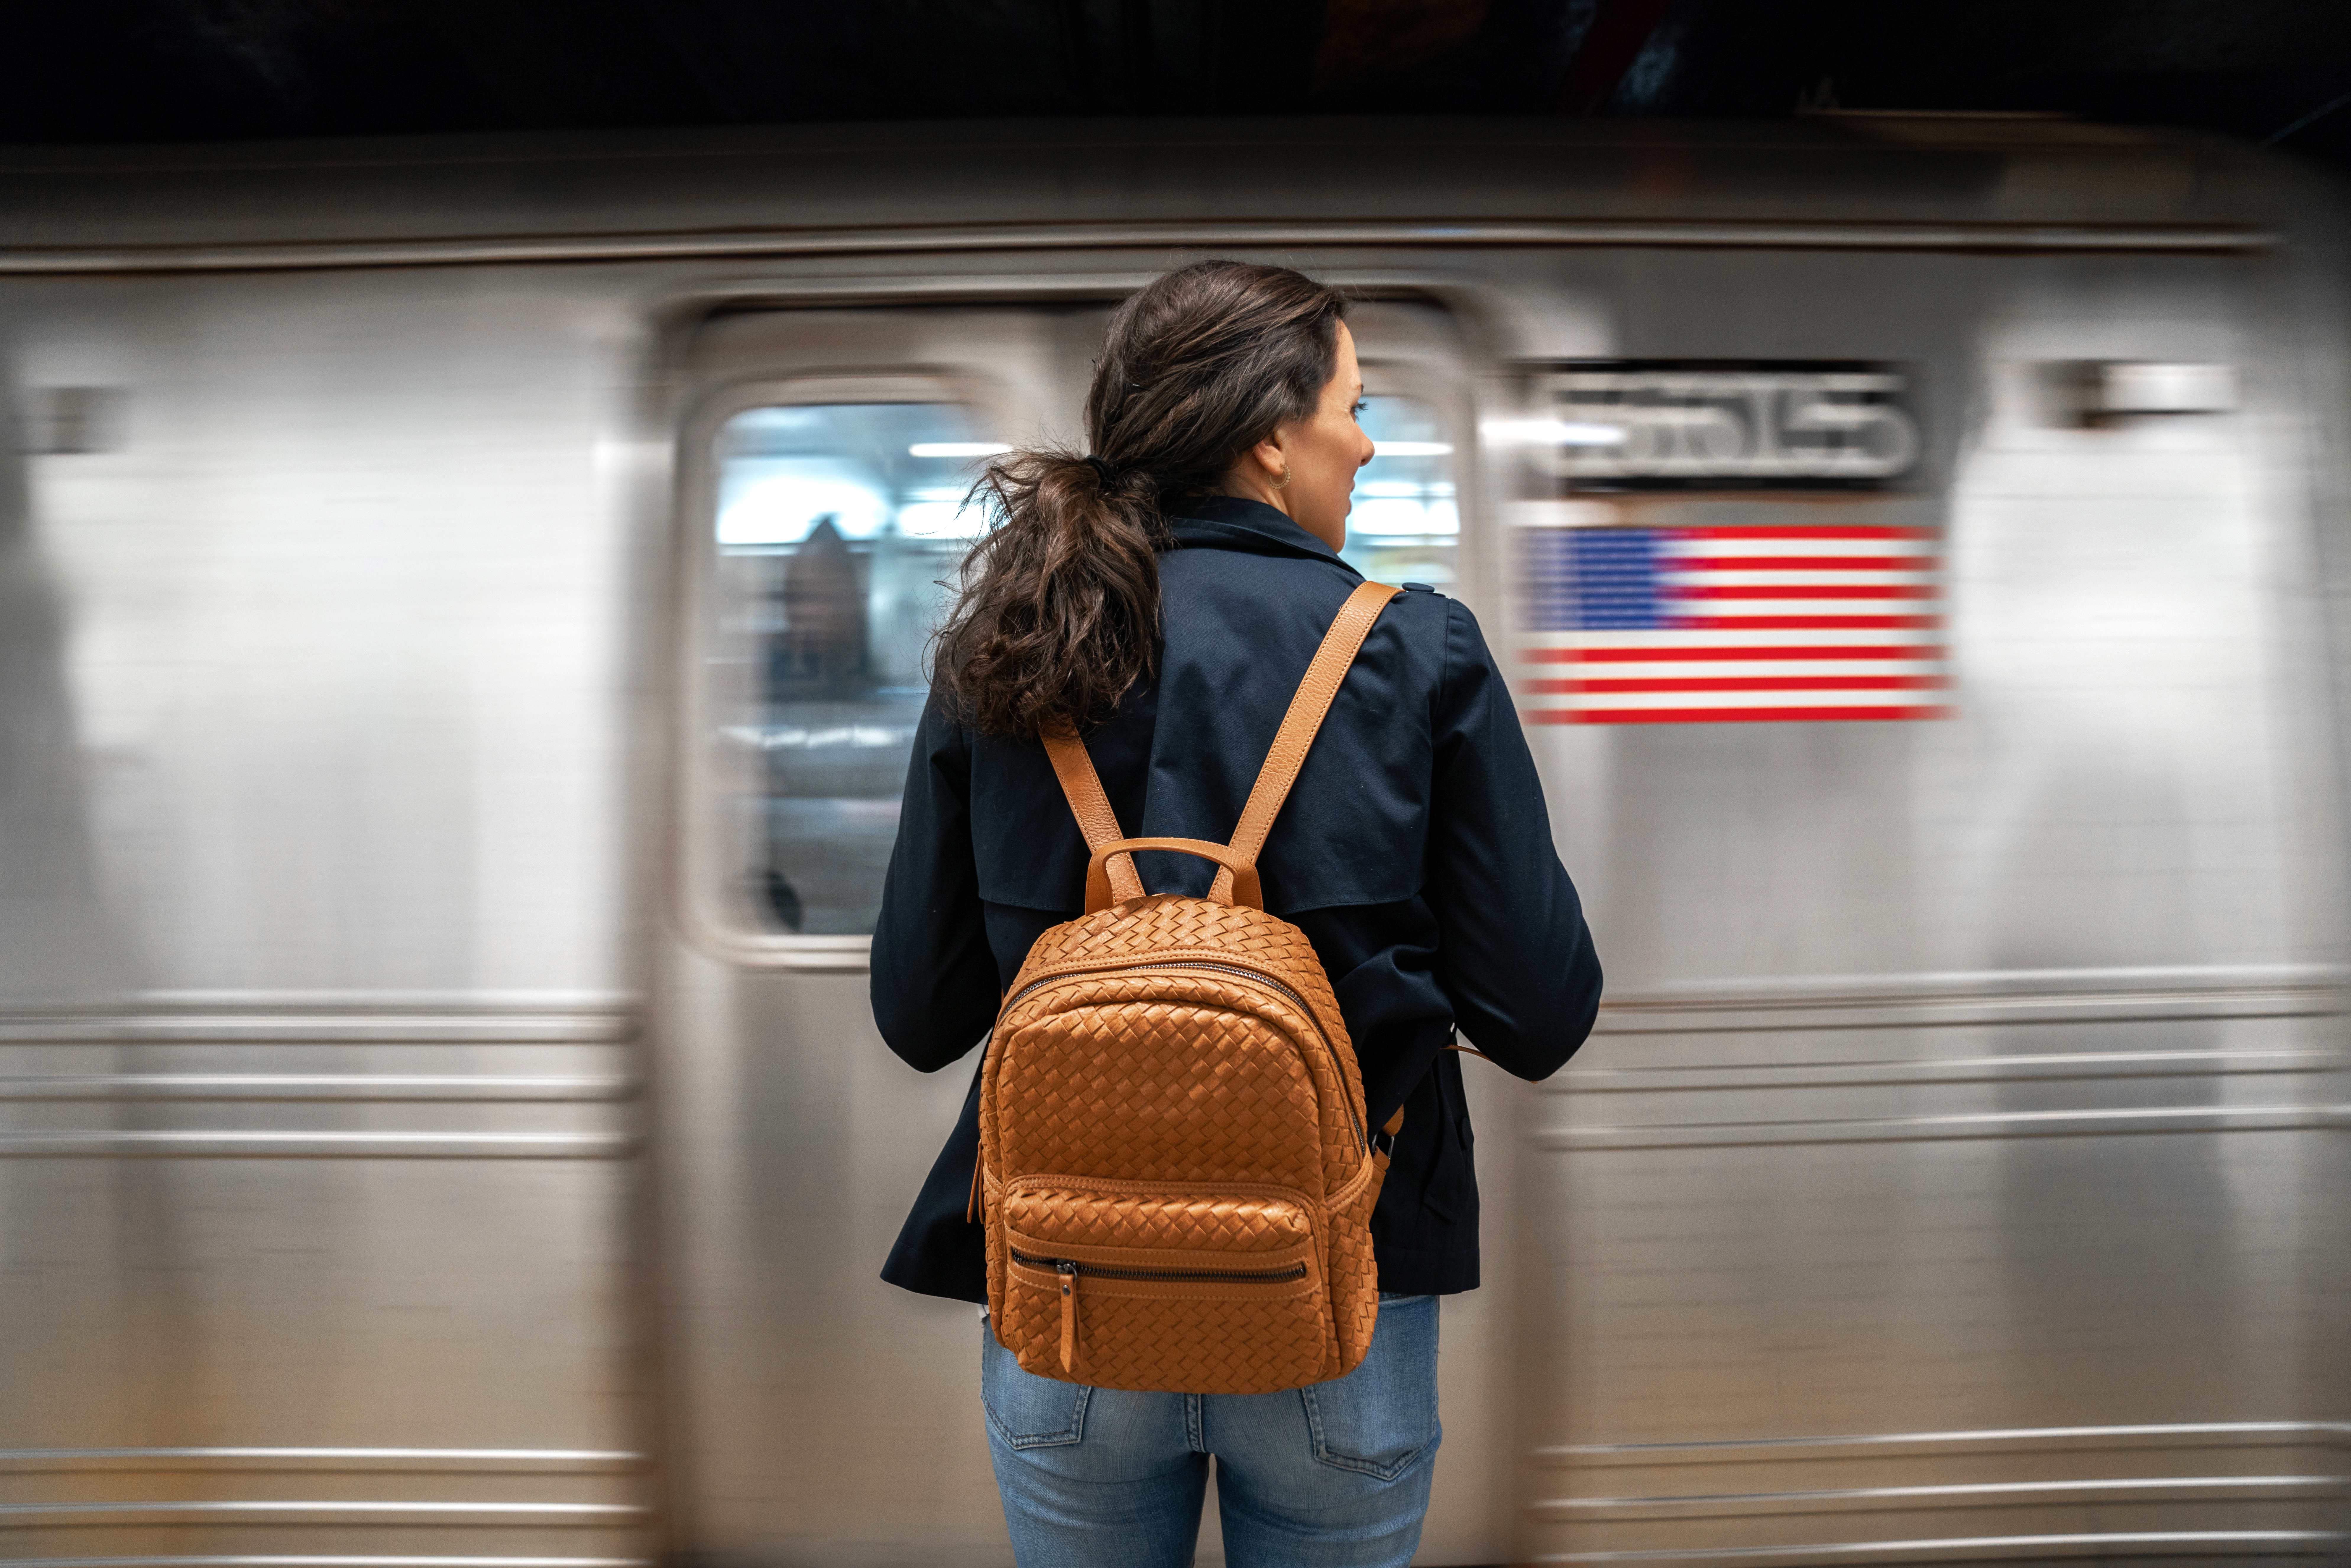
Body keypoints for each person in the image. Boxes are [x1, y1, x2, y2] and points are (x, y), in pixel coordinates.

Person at [872, 259, 1601, 1568]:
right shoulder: (1414, 649)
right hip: (1338, 1300)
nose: (1365, 442)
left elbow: (919, 1015)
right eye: (1352, 404)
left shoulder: (1008, 648)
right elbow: (1540, 1017)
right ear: (1272, 435)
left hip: (1069, 1302)